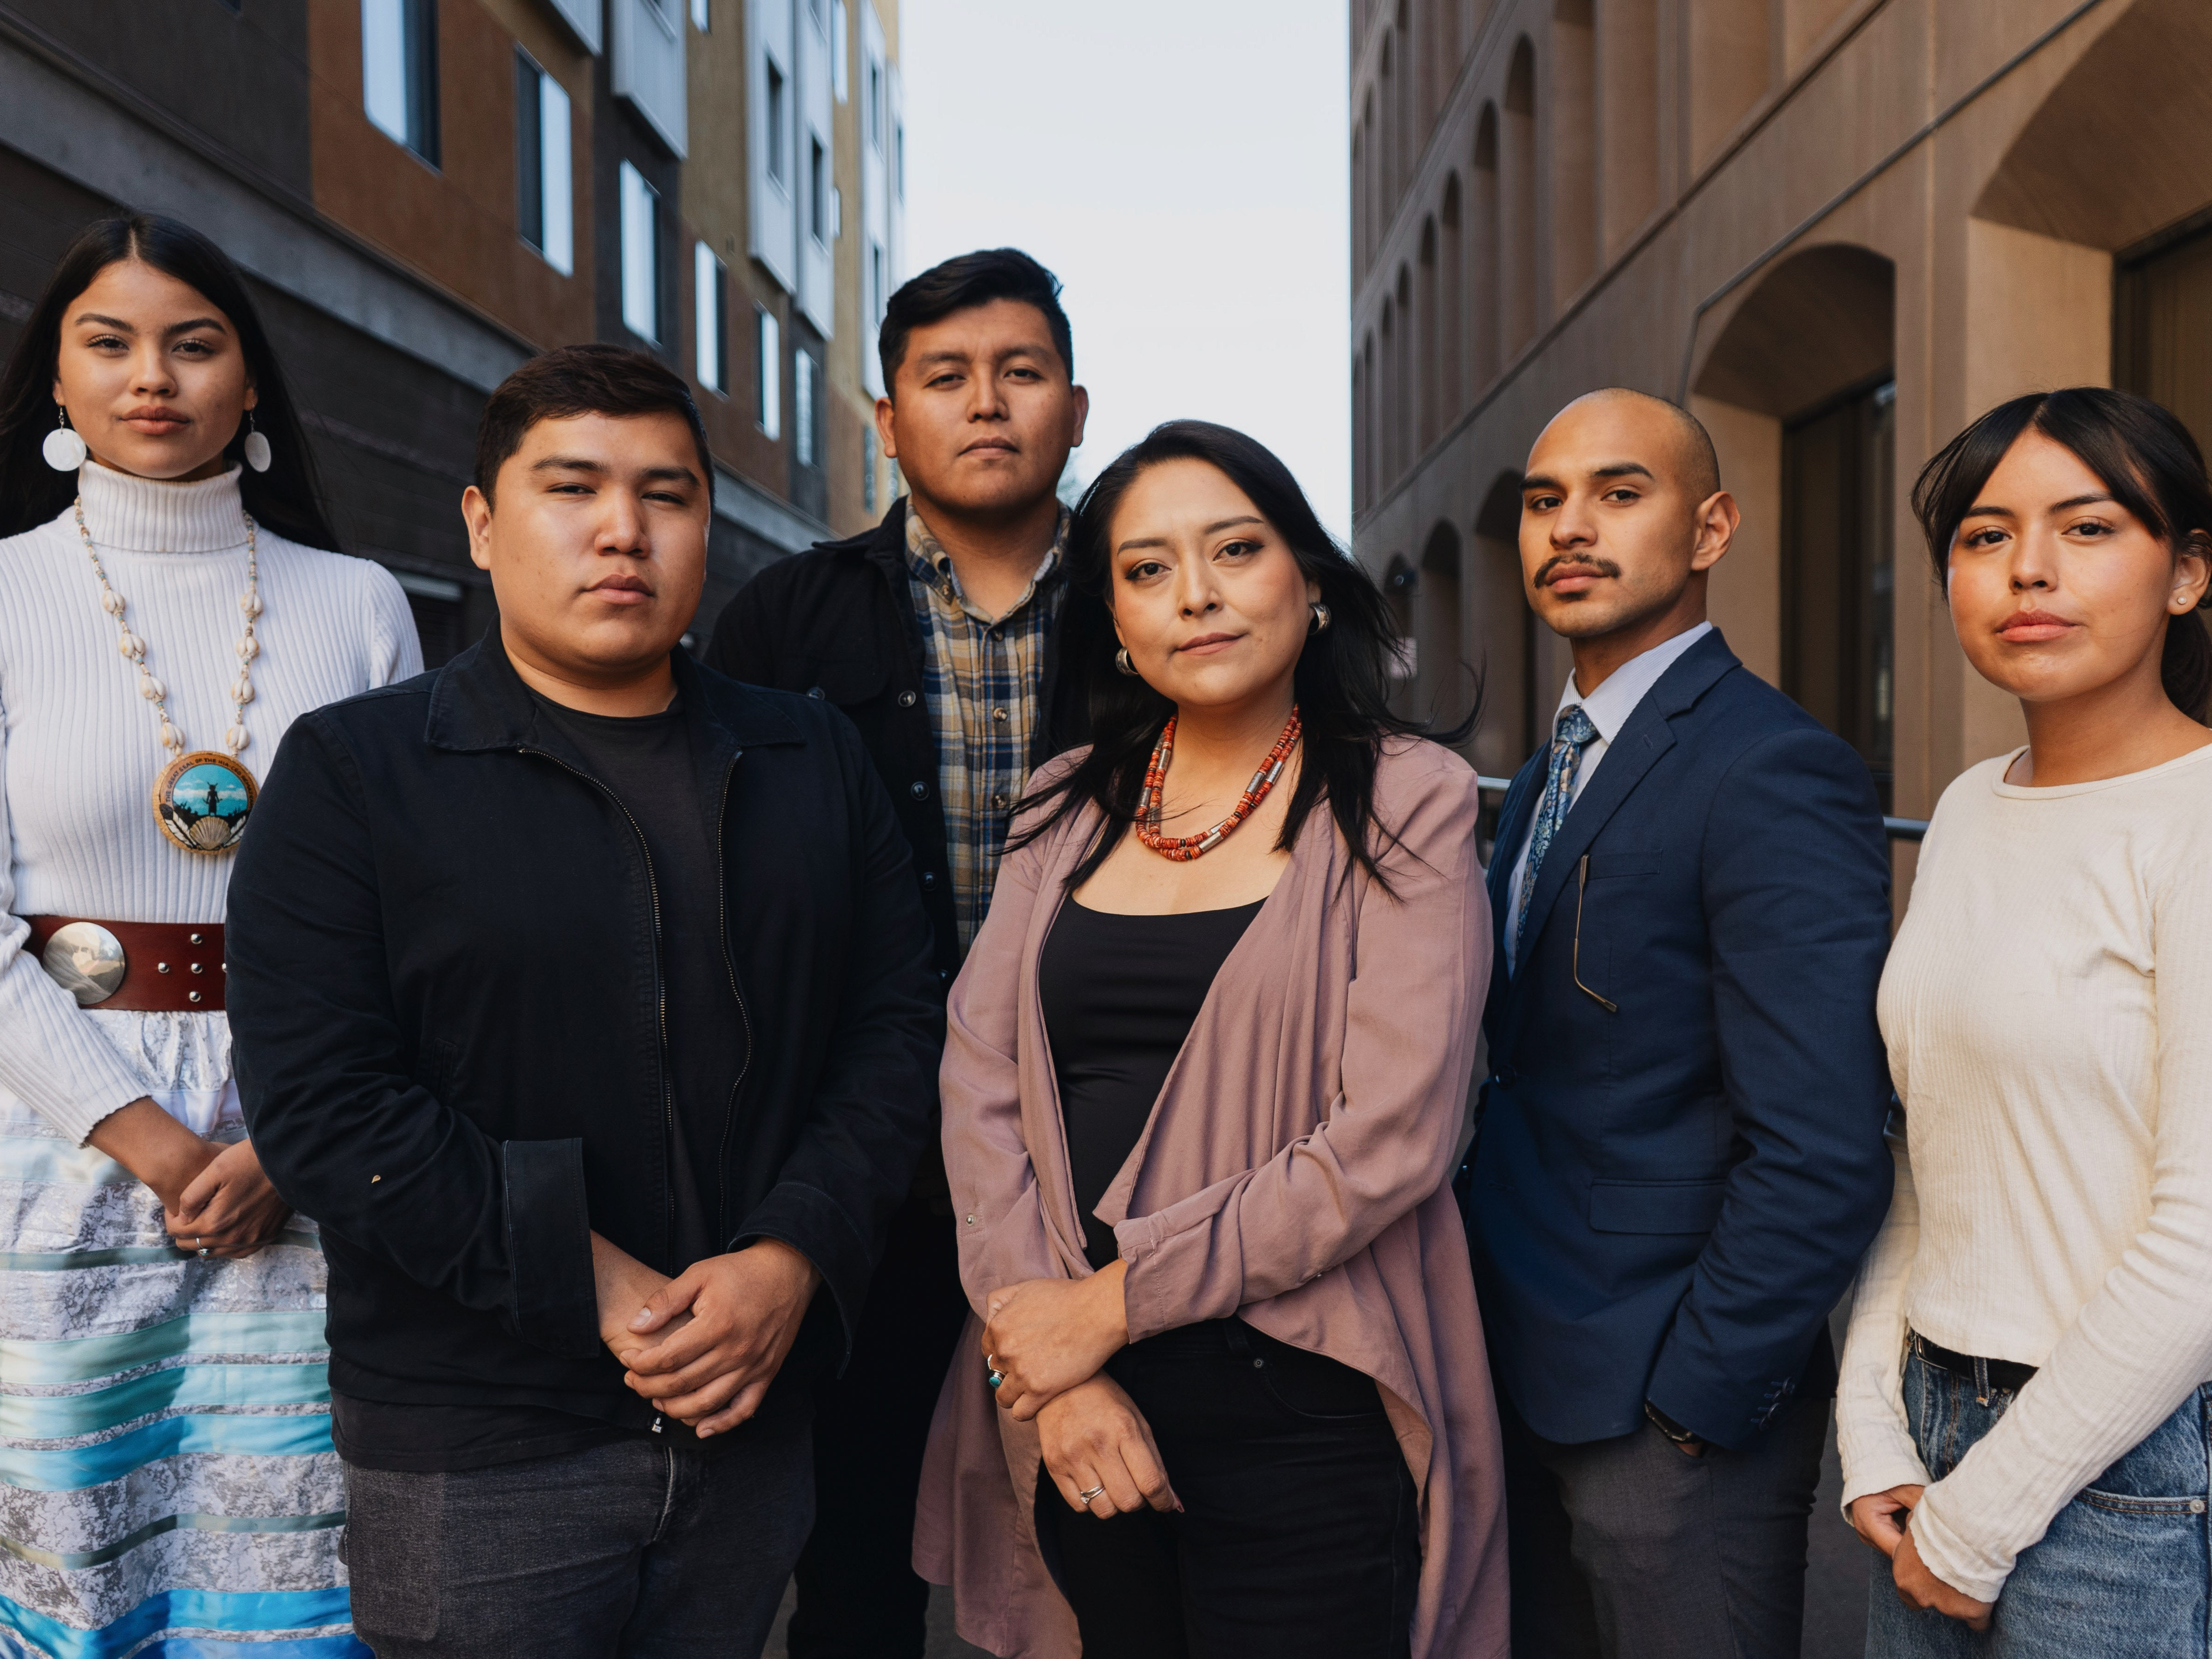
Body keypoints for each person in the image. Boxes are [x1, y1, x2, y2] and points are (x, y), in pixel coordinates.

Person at [224, 344, 942, 1659]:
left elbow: (894, 1033)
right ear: (483, 525)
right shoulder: (354, 772)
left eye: (667, 495)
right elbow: (326, 1106)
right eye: (572, 488)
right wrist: (597, 1282)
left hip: (748, 1417)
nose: (624, 530)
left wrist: (793, 1256)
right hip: (481, 1439)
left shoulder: (807, 754)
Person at [916, 420, 1509, 1659]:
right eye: (1144, 569)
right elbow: (977, 1084)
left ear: (1307, 578)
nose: (1194, 594)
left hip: (1295, 1389)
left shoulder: (1405, 799)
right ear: (1115, 623)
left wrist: (1114, 1305)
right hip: (1075, 1408)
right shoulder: (1062, 804)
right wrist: (1064, 1364)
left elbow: (1392, 1140)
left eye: (1233, 549)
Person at [0, 214, 420, 1656]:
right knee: (71, 1571)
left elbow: (408, 916)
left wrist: (285, 1146)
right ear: (54, 380)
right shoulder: (3, 594)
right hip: (47, 1144)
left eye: (194, 341)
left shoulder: (357, 602)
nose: (151, 378)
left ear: (249, 379)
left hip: (307, 1131)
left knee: (293, 1573)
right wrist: (159, 1144)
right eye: (106, 342)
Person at [704, 247, 1104, 1658]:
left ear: (1076, 404)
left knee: (1117, 1548)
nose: (985, 404)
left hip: (1110, 1173)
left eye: (1021, 372)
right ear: (887, 420)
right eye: (944, 378)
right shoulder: (784, 622)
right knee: (857, 1562)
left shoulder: (1149, 605)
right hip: (870, 1180)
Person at [1463, 388, 1894, 1657]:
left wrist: (1698, 1402)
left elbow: (1822, 1138)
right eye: (1545, 502)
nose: (1569, 528)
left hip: (1668, 1415)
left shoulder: (1772, 766)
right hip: (1521, 1361)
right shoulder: (1549, 768)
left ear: (1709, 530)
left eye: (1617, 492)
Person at [1838, 388, 2212, 1654]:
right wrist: (1872, 1428)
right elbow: (1930, 1157)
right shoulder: (1964, 807)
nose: (2027, 571)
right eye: (1984, 537)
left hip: (2129, 1477)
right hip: (1930, 1434)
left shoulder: (2197, 820)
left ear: (2185, 576)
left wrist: (1986, 1512)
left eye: (2088, 527)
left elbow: (2204, 1240)